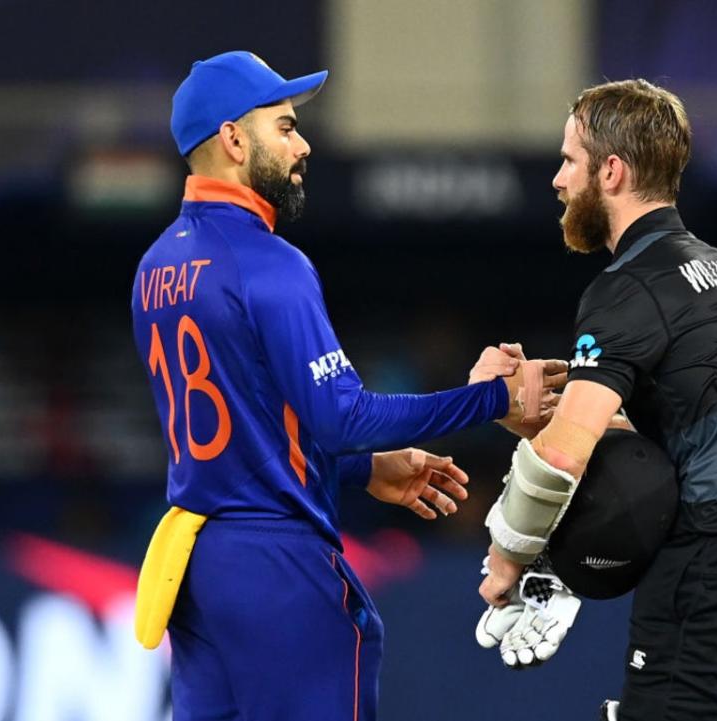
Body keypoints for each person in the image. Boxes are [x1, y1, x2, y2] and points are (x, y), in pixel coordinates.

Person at [130, 51, 564, 721]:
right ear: (234, 139)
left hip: (198, 567)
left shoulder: (154, 268)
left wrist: (362, 470)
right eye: (285, 127)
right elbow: (341, 417)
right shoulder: (271, 263)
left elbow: (251, 424)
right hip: (280, 563)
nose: (302, 145)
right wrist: (496, 398)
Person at [476, 79, 717, 721]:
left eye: (569, 161)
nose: (559, 181)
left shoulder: (626, 288)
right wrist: (528, 408)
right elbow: (656, 435)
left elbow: (565, 456)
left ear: (611, 171)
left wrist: (509, 559)